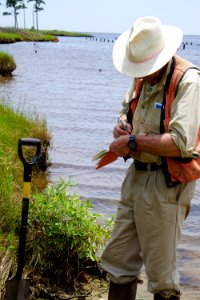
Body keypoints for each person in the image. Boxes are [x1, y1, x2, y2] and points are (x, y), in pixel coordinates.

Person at [100, 16, 200, 300]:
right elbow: (125, 109)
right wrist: (122, 123)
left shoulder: (188, 81)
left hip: (166, 183)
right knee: (118, 262)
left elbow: (181, 143)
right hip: (136, 177)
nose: (142, 72)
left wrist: (131, 141)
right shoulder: (141, 76)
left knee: (162, 277)